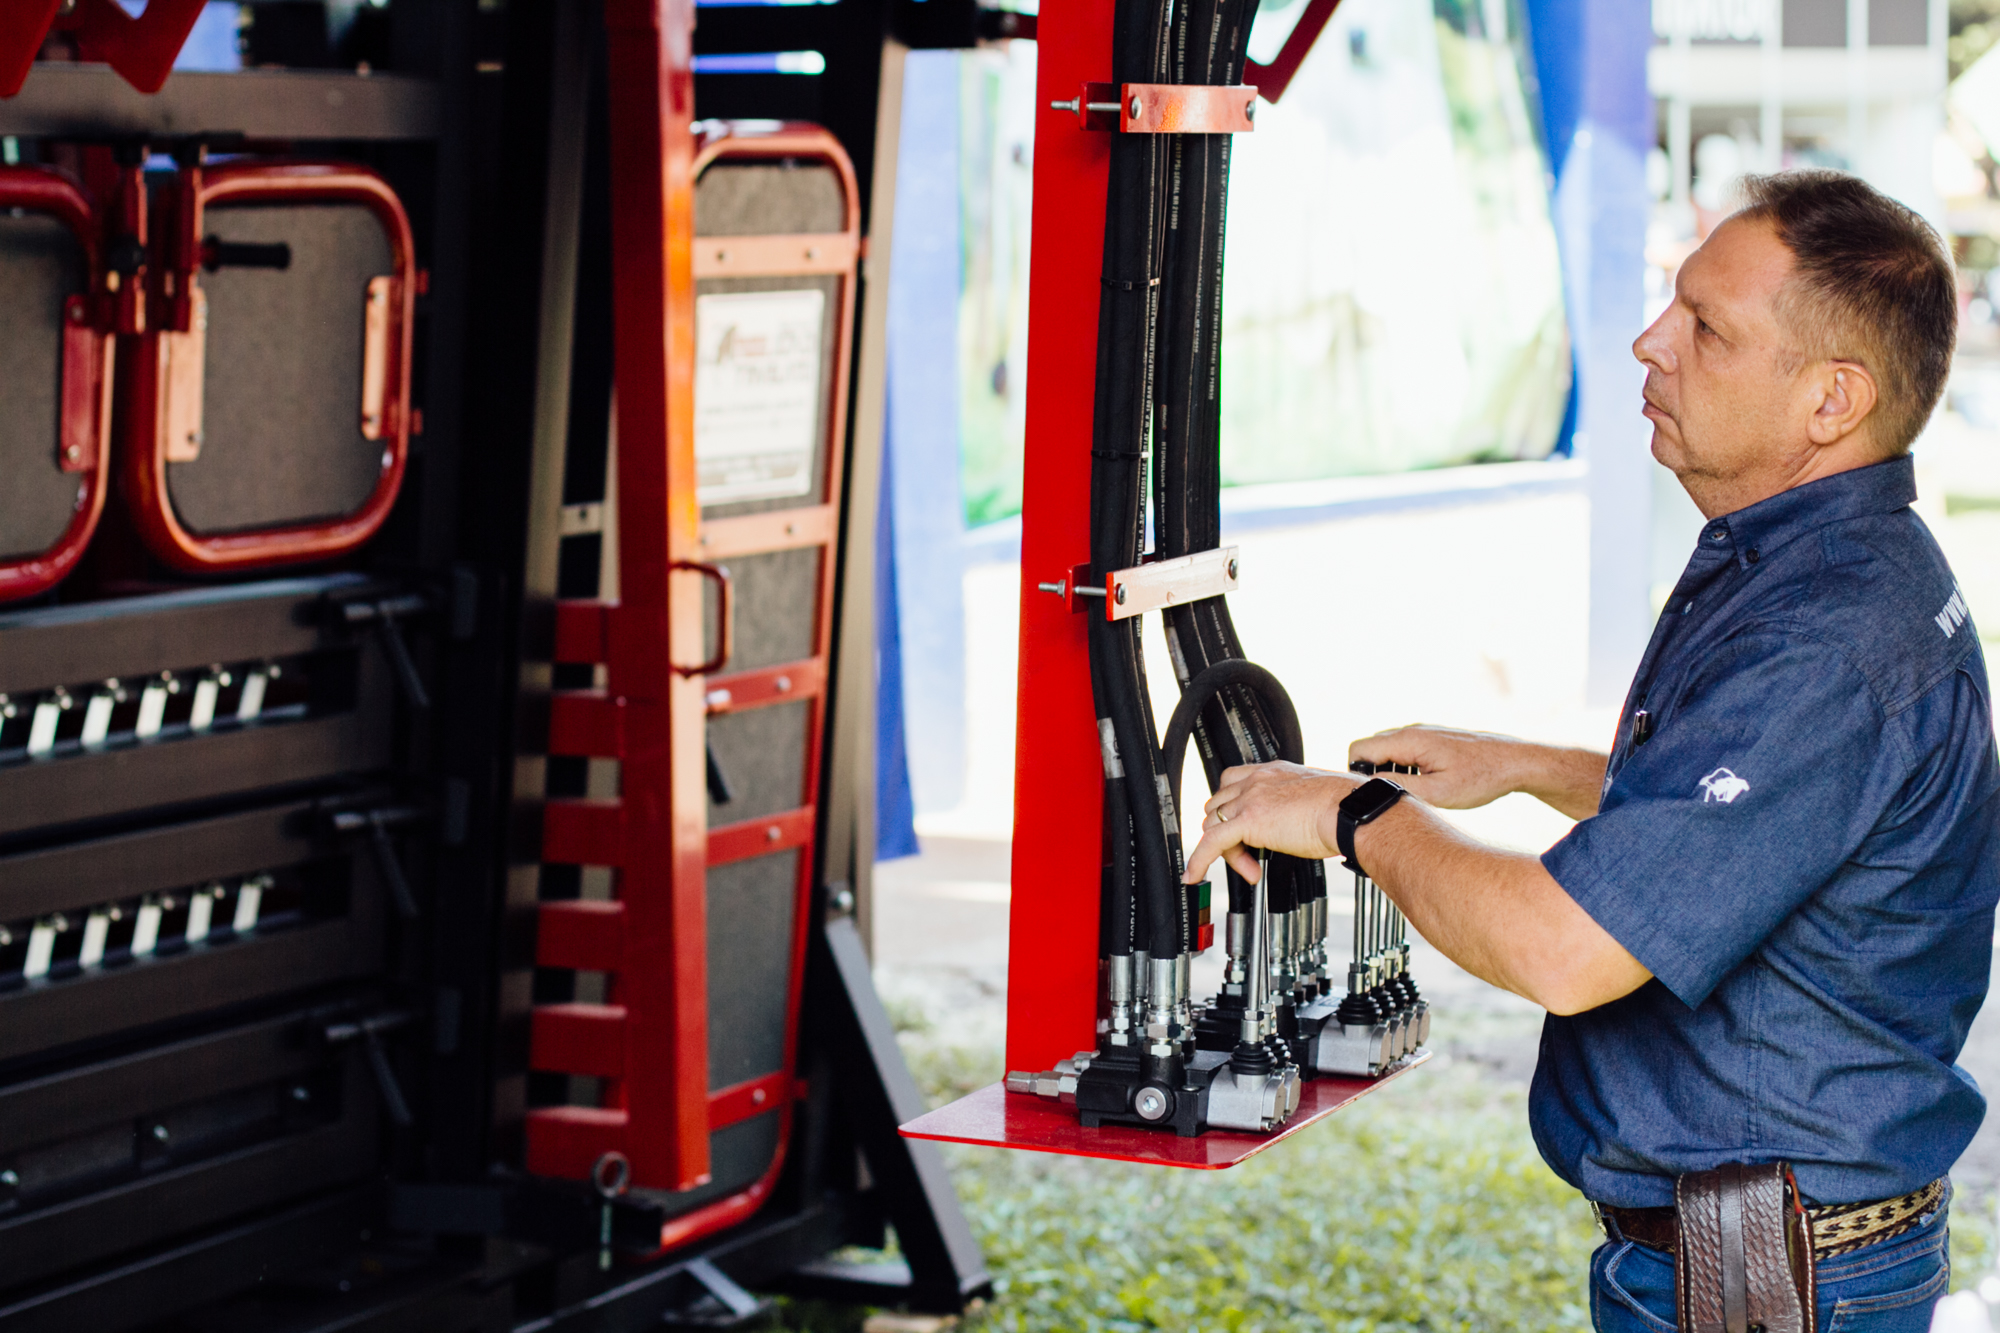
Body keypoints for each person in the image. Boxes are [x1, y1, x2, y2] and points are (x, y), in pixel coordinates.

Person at [1183, 171, 2000, 1332]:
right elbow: (1787, 822)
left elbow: (1566, 952)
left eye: (1704, 327)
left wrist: (1351, 818)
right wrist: (1526, 765)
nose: (1646, 341)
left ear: (1830, 399)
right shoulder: (1829, 562)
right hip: (1769, 1258)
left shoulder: (1826, 639)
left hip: (1766, 1286)